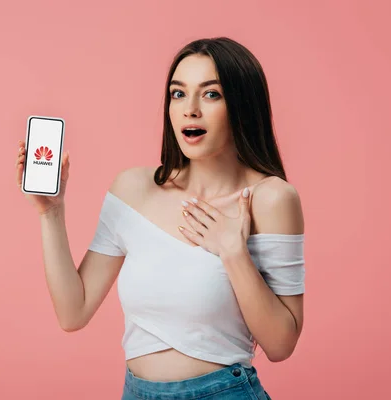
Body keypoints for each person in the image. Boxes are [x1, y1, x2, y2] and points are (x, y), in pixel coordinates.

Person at [15, 37, 305, 400]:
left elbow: (281, 344)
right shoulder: (133, 188)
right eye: (178, 94)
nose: (190, 109)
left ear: (242, 105)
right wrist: (51, 211)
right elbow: (73, 312)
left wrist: (233, 253)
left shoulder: (271, 199)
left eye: (211, 94)